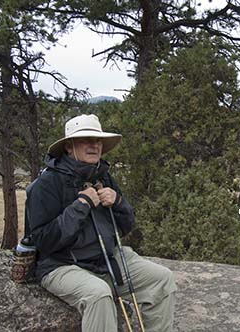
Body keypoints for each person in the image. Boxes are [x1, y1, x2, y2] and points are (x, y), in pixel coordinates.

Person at [28, 114, 177, 332]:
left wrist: (117, 201)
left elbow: (126, 226)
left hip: (106, 259)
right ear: (69, 147)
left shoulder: (103, 176)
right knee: (98, 295)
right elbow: (44, 241)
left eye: (97, 140)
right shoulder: (46, 183)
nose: (94, 145)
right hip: (61, 265)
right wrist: (81, 205)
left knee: (162, 279)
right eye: (86, 140)